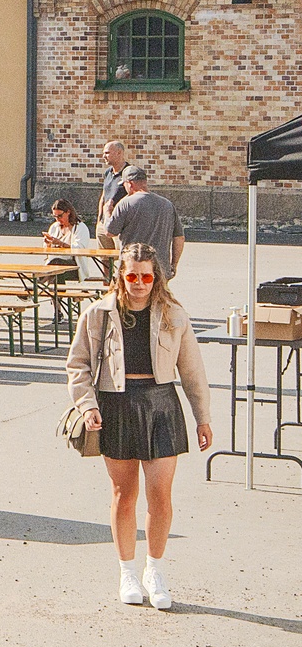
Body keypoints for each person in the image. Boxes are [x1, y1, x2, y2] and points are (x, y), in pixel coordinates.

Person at [67, 242, 213, 610]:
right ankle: (127, 571)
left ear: (156, 276)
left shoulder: (173, 314)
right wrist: (87, 406)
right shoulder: (98, 313)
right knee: (123, 493)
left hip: (161, 402)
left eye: (146, 276)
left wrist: (203, 418)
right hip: (114, 403)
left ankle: (155, 570)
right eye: (131, 275)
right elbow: (78, 365)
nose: (139, 283)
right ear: (120, 275)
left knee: (161, 495)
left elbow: (192, 370)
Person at [105, 166, 186, 281]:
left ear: (130, 184)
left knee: (129, 298)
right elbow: (179, 237)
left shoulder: (125, 204)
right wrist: (173, 265)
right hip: (161, 269)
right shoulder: (167, 204)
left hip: (133, 269)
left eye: (124, 184)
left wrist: (107, 212)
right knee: (158, 298)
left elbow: (109, 232)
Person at [44, 198, 101, 281]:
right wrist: (48, 243)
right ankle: (55, 291)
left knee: (56, 265)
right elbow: (47, 250)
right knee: (56, 268)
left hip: (74, 265)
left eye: (60, 216)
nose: (57, 219)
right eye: (55, 216)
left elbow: (80, 249)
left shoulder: (80, 227)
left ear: (68, 212)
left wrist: (61, 243)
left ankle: (37, 282)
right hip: (53, 263)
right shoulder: (54, 227)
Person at [96, 140, 129, 238]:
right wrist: (99, 220)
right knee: (103, 253)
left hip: (119, 225)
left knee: (119, 253)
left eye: (107, 153)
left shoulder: (128, 173)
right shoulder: (108, 173)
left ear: (119, 153)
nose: (104, 156)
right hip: (103, 224)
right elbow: (104, 196)